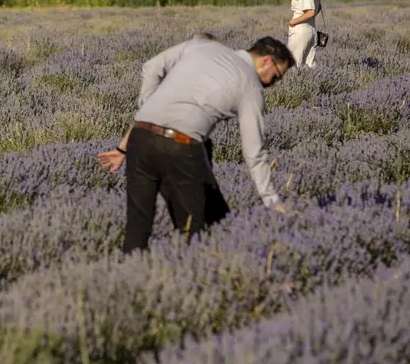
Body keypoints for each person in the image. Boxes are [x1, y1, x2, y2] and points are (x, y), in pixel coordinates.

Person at [97, 36, 295, 254]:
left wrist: (146, 111)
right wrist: (272, 201)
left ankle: (130, 270)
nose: (273, 84)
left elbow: (151, 67)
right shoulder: (251, 86)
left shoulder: (203, 46)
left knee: (137, 225)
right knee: (192, 230)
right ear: (266, 61)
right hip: (180, 147)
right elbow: (254, 153)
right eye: (276, 77)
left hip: (140, 138)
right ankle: (192, 270)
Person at [287, 0, 324, 68]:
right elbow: (317, 9)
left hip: (300, 32)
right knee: (310, 67)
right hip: (311, 30)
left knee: (292, 66)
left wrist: (293, 22)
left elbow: (310, 12)